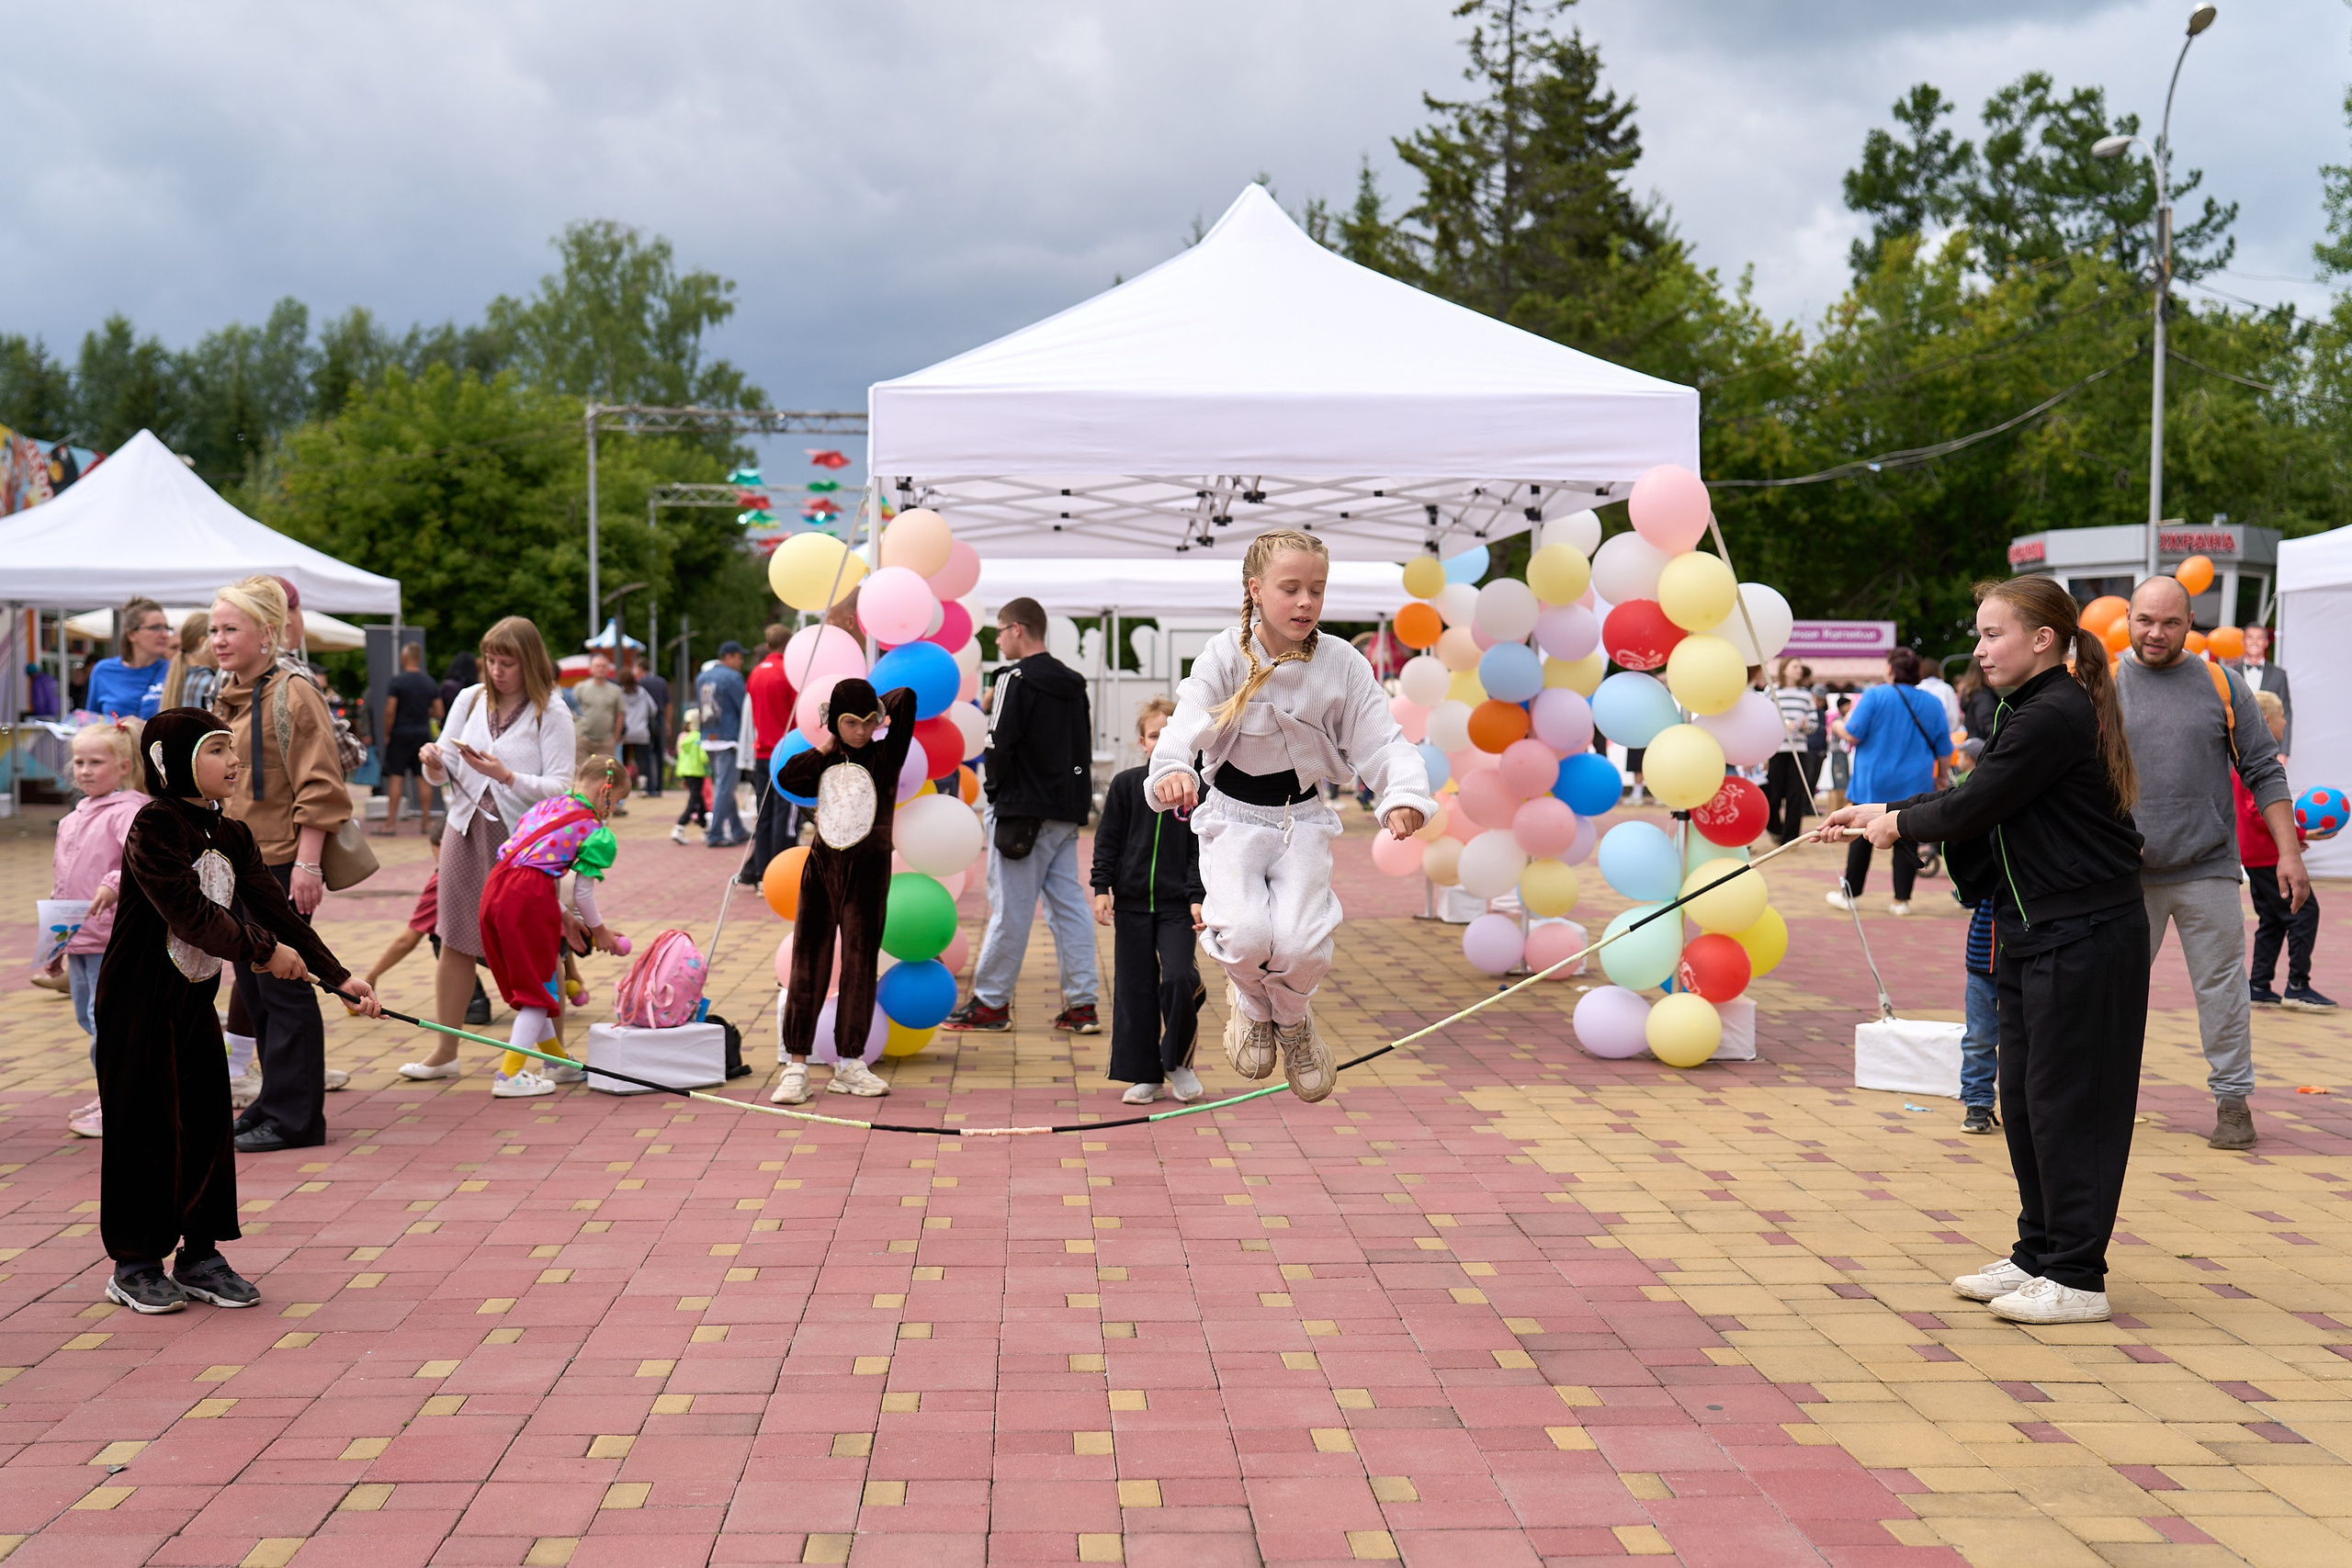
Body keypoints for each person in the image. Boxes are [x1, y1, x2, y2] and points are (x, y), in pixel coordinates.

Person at [1826, 576, 2147, 1326]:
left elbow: (1976, 803)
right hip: (2036, 931)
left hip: (2086, 933)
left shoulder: (2055, 712)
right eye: (1980, 633)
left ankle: (2077, 1274)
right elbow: (1981, 793)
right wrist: (1882, 809)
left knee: (2071, 1104)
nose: (1979, 648)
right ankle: (2040, 1251)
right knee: (2028, 1101)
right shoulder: (2025, 708)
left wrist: (1898, 826)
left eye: (1992, 633)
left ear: (2042, 638)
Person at [95, 707, 381, 1313]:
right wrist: (263, 952)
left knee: (205, 1122)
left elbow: (276, 911)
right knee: (145, 1129)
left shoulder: (234, 833)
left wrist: (338, 977)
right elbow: (191, 916)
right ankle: (135, 1262)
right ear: (171, 763)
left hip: (192, 1001)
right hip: (136, 1005)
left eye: (231, 747)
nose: (233, 760)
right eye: (216, 749)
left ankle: (199, 1254)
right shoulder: (155, 826)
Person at [1147, 531, 1434, 1103]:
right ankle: (1254, 1008)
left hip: (1300, 818)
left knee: (1301, 944)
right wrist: (1173, 767)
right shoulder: (1224, 655)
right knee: (1247, 934)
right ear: (1256, 589)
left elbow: (1382, 739)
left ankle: (1295, 1023)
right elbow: (1186, 720)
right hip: (1232, 818)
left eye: (1317, 590)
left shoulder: (1342, 662)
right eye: (1291, 588)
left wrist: (1403, 794)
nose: (1306, 602)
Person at [2116, 576, 2303, 1152]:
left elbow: (2263, 768)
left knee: (2222, 990)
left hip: (2209, 866)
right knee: (2112, 991)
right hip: (2124, 873)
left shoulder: (2222, 684)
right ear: (2128, 618)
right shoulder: (2101, 684)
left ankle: (2233, 1103)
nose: (2156, 632)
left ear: (2190, 623)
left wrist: (2289, 853)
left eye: (2170, 622)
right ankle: (2101, 1101)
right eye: (2146, 620)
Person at [209, 578, 353, 1154]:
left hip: (280, 865)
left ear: (266, 634)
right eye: (214, 629)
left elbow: (320, 784)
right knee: (256, 988)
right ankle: (274, 1101)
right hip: (240, 865)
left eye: (231, 629)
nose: (218, 639)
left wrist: (308, 865)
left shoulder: (293, 692)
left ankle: (297, 1119)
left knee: (286, 988)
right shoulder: (231, 693)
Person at [405, 618, 576, 1080]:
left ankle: (556, 1058)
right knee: (453, 939)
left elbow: (562, 788)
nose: (496, 671)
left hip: (523, 844)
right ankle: (446, 1051)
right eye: (491, 660)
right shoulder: (469, 698)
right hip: (464, 829)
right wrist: (433, 761)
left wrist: (506, 776)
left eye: (507, 663)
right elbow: (442, 769)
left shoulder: (551, 710)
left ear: (530, 662)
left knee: (538, 947)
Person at [944, 598, 1102, 1035]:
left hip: (1019, 812)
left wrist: (996, 793)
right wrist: (1073, 799)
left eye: (998, 632)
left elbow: (998, 744)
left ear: (1017, 629)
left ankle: (991, 1003)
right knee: (1069, 909)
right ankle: (1082, 1004)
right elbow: (1080, 750)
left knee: (1009, 910)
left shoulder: (1013, 679)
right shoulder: (1074, 684)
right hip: (1063, 812)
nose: (996, 641)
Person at [772, 678, 917, 1103]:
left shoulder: (886, 755)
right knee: (808, 964)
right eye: (850, 722)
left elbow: (905, 698)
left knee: (859, 964)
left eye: (868, 722)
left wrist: (872, 705)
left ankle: (850, 1063)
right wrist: (826, 745)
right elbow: (788, 777)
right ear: (834, 722)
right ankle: (797, 1066)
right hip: (821, 870)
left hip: (868, 875)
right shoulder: (823, 759)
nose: (861, 730)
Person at [478, 756, 631, 1099]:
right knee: (537, 994)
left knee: (539, 981)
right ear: (605, 791)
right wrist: (600, 931)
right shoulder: (594, 829)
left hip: (497, 887)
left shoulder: (547, 807)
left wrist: (561, 914)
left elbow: (527, 864)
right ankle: (509, 1074)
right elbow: (582, 892)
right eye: (617, 801)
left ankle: (555, 1061)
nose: (613, 810)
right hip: (530, 897)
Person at [1093, 696, 1207, 1105]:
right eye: (1154, 735)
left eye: (1170, 734)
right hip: (1132, 904)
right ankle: (1144, 1074)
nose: (1162, 741)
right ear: (1142, 743)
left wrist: (1197, 895)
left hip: (1179, 907)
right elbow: (1108, 841)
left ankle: (1177, 1062)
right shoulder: (1126, 785)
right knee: (1134, 989)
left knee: (1179, 978)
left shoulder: (1200, 789)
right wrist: (1101, 888)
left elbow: (1202, 849)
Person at [46, 719, 145, 1139]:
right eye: (79, 762)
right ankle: (112, 1091)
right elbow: (62, 884)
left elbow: (143, 860)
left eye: (95, 762)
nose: (84, 771)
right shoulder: (73, 818)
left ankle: (122, 1101)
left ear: (124, 766)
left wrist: (112, 883)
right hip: (81, 940)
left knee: (109, 1022)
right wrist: (54, 943)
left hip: (113, 938)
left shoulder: (130, 811)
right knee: (90, 1020)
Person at [1826, 649, 1948, 915]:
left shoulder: (1875, 695)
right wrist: (1941, 777)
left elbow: (1852, 734)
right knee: (1907, 836)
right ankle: (1901, 901)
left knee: (1859, 835)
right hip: (1915, 782)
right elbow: (1943, 747)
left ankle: (1851, 895)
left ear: (1891, 669)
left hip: (1873, 781)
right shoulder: (1932, 702)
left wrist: (1835, 725)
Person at [2240, 690, 2328, 1010]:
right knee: (2304, 912)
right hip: (2267, 857)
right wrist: (2298, 833)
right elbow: (2257, 809)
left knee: (2273, 919)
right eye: (2282, 717)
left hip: (2255, 854)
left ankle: (2259, 985)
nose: (2286, 723)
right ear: (2266, 721)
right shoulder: (2256, 760)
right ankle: (2297, 986)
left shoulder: (2238, 756)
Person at [743, 624, 797, 887]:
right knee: (782, 816)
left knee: (763, 815)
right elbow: (795, 714)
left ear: (767, 645)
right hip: (785, 751)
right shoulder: (789, 672)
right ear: (789, 644)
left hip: (761, 751)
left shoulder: (755, 673)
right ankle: (779, 874)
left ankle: (761, 874)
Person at [379, 642, 443, 838]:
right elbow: (439, 711)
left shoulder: (397, 682)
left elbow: (390, 710)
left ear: (404, 657)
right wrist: (424, 713)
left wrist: (387, 733)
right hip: (422, 734)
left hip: (400, 733)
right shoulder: (429, 682)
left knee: (396, 778)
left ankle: (390, 824)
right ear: (419, 659)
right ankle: (425, 822)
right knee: (422, 778)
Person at [85, 598, 175, 719]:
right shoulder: (103, 670)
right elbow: (91, 722)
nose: (164, 635)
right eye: (156, 628)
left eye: (166, 628)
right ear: (132, 634)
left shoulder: (173, 670)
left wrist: (143, 726)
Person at [697, 642, 750, 849]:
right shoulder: (733, 677)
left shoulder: (702, 677)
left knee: (723, 787)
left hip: (708, 736)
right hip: (728, 738)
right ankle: (716, 833)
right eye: (739, 657)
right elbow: (744, 707)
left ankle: (737, 829)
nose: (741, 662)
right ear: (728, 656)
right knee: (724, 789)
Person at [1765, 658, 1816, 845]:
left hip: (1799, 750)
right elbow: (1764, 718)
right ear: (1784, 669)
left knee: (1796, 795)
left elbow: (1814, 724)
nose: (1799, 670)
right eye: (1795, 666)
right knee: (1774, 793)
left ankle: (1791, 838)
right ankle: (1775, 829)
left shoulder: (1805, 695)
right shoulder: (1772, 691)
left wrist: (1804, 725)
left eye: (1800, 667)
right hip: (1777, 750)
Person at [1959, 895, 1998, 1135]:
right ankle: (1978, 1102)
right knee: (1978, 1037)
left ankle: (2028, 1105)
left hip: (2030, 956)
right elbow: (1965, 897)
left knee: (2029, 1039)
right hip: (1982, 957)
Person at [2233, 624, 2292, 760]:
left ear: (2266, 642)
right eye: (2250, 637)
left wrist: (2283, 752)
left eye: (2259, 638)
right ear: (2243, 642)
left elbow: (2286, 713)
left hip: (2269, 747)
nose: (2254, 642)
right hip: (2235, 746)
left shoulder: (2279, 675)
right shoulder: (2231, 673)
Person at [159, 612, 221, 714]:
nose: (220, 643)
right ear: (203, 643)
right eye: (215, 635)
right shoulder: (210, 683)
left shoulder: (176, 678)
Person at [572, 654, 625, 771]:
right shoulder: (580, 688)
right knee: (581, 772)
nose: (600, 669)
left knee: (606, 773)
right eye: (597, 666)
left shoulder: (616, 690)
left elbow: (620, 715)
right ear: (590, 669)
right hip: (583, 740)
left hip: (606, 741)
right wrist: (575, 735)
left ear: (608, 669)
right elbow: (572, 711)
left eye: (603, 666)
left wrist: (615, 738)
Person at [619, 663, 659, 810]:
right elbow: (653, 709)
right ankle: (643, 787)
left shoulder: (619, 694)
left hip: (625, 733)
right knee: (643, 760)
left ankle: (622, 786)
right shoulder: (642, 692)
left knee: (623, 760)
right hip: (642, 731)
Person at [671, 708, 710, 841]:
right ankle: (680, 825)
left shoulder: (685, 738)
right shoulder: (699, 737)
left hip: (685, 771)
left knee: (699, 798)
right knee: (694, 799)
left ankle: (705, 827)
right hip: (697, 771)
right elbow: (704, 757)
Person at [637, 654, 672, 797]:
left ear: (640, 668)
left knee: (647, 753)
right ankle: (659, 787)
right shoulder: (661, 682)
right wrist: (668, 723)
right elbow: (668, 704)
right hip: (660, 719)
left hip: (645, 720)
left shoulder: (640, 683)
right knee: (659, 753)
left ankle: (650, 787)